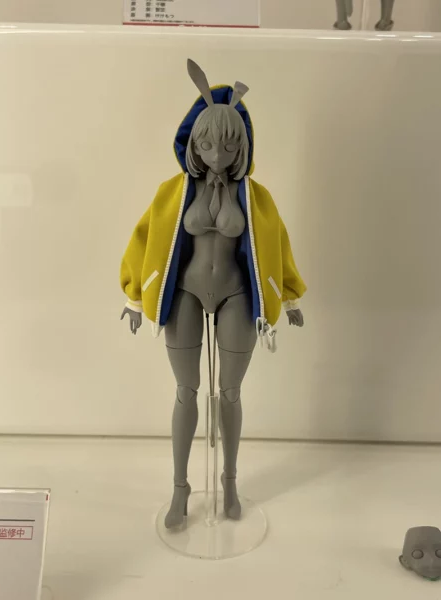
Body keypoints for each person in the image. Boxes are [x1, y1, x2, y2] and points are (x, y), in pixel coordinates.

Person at [120, 60, 306, 528]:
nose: (217, 153)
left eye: (227, 144)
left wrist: (290, 295)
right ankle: (180, 487)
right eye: (206, 143)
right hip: (185, 292)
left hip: (237, 295)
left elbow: (276, 243)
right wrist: (134, 297)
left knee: (231, 392)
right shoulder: (173, 191)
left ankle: (229, 480)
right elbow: (146, 237)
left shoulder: (255, 196)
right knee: (186, 391)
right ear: (193, 142)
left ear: (241, 144)